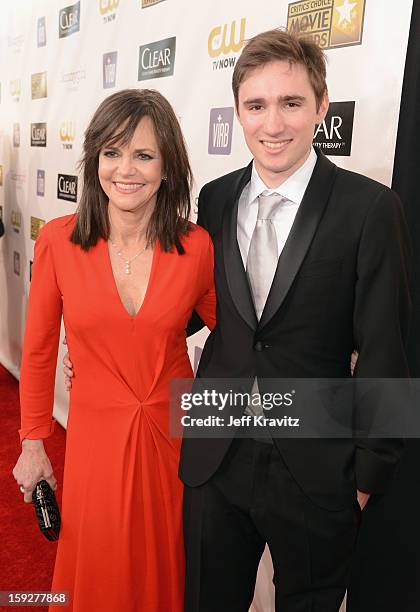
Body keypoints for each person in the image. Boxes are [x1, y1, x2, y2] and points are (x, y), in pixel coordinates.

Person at [177, 30, 411, 611]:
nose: (272, 123)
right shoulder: (215, 198)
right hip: (215, 450)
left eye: (291, 103)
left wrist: (365, 477)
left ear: (321, 107)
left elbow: (387, 346)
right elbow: (195, 307)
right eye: (256, 105)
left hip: (318, 466)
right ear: (237, 111)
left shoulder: (370, 208)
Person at [12, 88, 216, 612]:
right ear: (93, 161)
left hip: (172, 436)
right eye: (112, 152)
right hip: (95, 438)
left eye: (144, 155)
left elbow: (239, 334)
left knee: (163, 569)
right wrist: (34, 442)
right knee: (97, 569)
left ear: (168, 167)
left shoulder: (196, 247)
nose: (125, 169)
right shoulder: (58, 240)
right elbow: (36, 352)